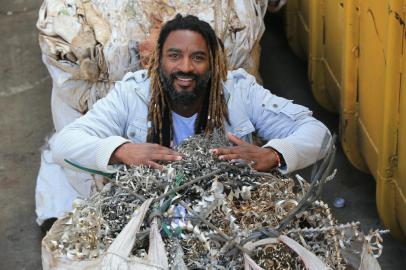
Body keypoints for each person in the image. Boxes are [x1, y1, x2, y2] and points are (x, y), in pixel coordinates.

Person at [52, 14, 331, 177]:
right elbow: (64, 143)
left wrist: (272, 155)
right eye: (174, 56)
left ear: (214, 64)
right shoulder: (132, 94)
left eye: (198, 57)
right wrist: (122, 150)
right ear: (158, 61)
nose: (185, 67)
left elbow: (318, 134)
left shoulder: (239, 91)